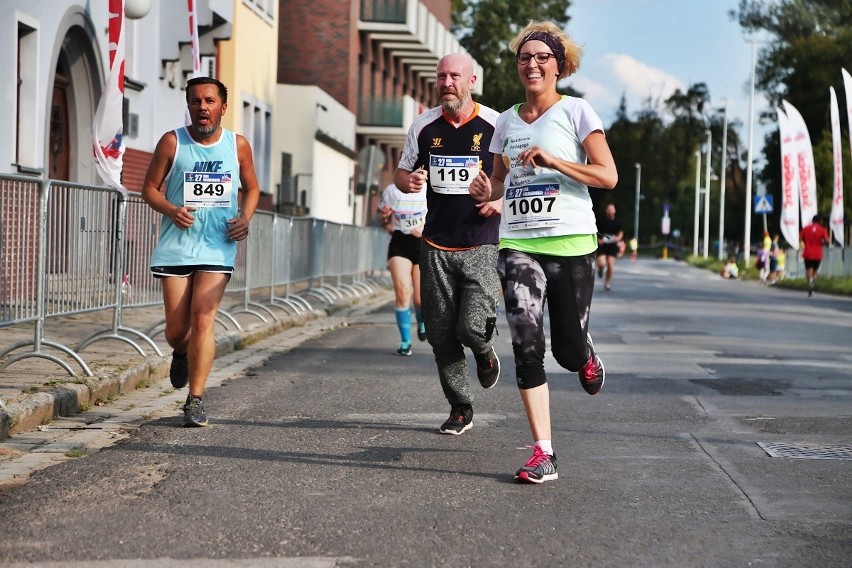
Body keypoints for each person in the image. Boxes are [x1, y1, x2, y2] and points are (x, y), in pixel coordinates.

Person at [469, 21, 617, 483]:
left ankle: (586, 356)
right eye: (524, 57)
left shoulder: (577, 113)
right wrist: (484, 187)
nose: (531, 65)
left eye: (542, 58)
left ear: (559, 66)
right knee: (526, 343)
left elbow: (607, 175)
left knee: (569, 354)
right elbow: (497, 178)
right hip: (518, 244)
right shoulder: (505, 122)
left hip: (572, 244)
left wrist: (555, 161)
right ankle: (543, 452)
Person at [394, 53, 503, 436]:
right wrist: (405, 181)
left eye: (455, 76)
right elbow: (402, 169)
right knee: (440, 334)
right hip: (436, 245)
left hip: (481, 243)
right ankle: (460, 407)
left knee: (471, 328)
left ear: (472, 80)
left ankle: (486, 353)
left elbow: (516, 179)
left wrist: (498, 199)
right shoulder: (423, 126)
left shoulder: (495, 125)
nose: (447, 83)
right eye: (441, 76)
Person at [141, 77, 260, 427]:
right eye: (195, 101)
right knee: (178, 330)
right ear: (189, 106)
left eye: (209, 101)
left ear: (223, 107)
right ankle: (180, 352)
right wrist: (170, 209)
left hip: (217, 245)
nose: (202, 107)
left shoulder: (237, 145)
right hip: (177, 247)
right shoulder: (172, 142)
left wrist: (246, 218)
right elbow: (148, 188)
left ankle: (195, 399)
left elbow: (252, 188)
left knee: (204, 319)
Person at [378, 182, 428, 355]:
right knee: (402, 293)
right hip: (400, 244)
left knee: (420, 298)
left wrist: (424, 229)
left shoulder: (430, 189)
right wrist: (385, 218)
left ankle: (421, 319)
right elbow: (384, 220)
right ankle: (405, 341)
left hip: (423, 244)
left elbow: (441, 217)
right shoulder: (392, 190)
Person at [799, 214, 830, 297]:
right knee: (815, 271)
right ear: (820, 221)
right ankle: (813, 283)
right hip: (818, 253)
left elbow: (800, 238)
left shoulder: (805, 229)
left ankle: (810, 282)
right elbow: (827, 241)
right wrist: (822, 243)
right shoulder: (823, 230)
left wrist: (806, 242)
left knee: (809, 269)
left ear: (812, 221)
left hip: (808, 253)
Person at [595, 203, 624, 291]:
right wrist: (598, 240)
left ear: (615, 211)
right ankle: (600, 269)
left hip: (612, 245)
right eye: (609, 209)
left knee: (610, 266)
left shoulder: (618, 221)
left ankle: (607, 283)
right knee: (601, 263)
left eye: (612, 209)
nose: (610, 211)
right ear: (606, 210)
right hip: (602, 244)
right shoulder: (601, 220)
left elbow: (621, 232)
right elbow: (595, 230)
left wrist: (618, 238)